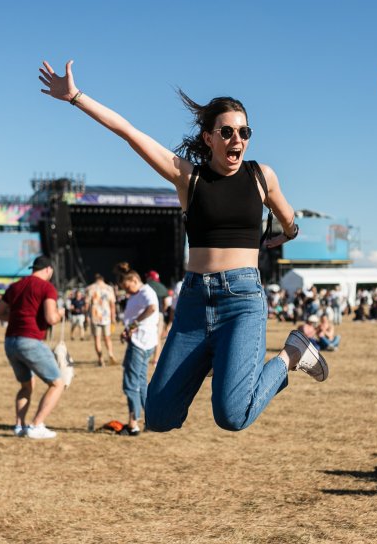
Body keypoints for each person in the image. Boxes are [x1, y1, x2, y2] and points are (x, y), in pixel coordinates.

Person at [39, 58, 327, 432]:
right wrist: (76, 96)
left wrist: (288, 233)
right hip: (193, 302)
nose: (236, 139)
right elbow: (129, 132)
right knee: (158, 416)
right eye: (226, 132)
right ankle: (217, 359)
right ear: (208, 137)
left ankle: (292, 354)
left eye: (244, 132)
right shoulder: (188, 177)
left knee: (233, 416)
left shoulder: (261, 176)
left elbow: (288, 217)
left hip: (241, 301)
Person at [0, 256, 65, 439]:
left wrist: (17, 319)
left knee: (26, 386)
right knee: (57, 383)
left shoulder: (16, 286)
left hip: (11, 342)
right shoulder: (47, 287)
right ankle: (36, 425)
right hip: (30, 341)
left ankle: (19, 425)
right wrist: (60, 314)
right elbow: (50, 318)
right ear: (48, 270)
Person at [117, 265, 160, 435]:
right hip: (141, 341)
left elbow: (152, 308)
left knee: (131, 384)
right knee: (141, 382)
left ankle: (133, 424)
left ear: (134, 280)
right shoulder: (139, 293)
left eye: (128, 287)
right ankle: (150, 421)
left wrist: (133, 325)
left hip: (140, 344)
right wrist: (128, 329)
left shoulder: (145, 292)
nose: (127, 291)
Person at [86, 274, 117, 367]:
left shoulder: (90, 288)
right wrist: (113, 317)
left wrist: (86, 316)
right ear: (103, 279)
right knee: (107, 337)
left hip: (95, 316)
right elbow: (112, 305)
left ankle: (101, 359)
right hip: (106, 316)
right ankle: (110, 354)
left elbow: (87, 304)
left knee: (97, 339)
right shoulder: (109, 288)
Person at [144, 270, 169, 366]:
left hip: (147, 314)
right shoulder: (161, 287)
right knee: (157, 337)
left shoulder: (146, 286)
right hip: (159, 314)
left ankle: (145, 358)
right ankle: (156, 359)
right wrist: (163, 310)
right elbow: (166, 303)